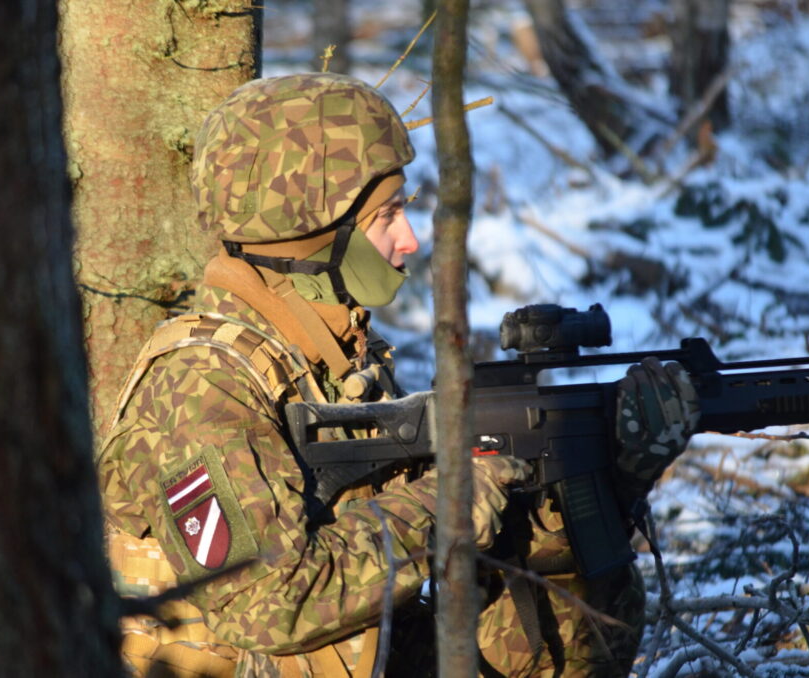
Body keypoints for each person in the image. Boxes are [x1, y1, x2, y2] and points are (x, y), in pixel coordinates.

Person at [97, 73, 700, 678]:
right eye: (386, 216)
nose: (408, 239)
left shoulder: (339, 357)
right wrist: (454, 500)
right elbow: (266, 605)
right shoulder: (202, 384)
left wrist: (603, 475)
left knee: (561, 616)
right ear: (313, 233)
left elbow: (436, 546)